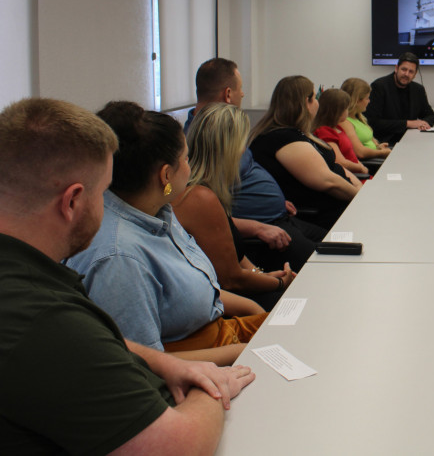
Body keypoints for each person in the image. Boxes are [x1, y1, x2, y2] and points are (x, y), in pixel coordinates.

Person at [0, 97, 255, 455]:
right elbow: (178, 447)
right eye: (104, 191)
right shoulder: (45, 317)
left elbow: (103, 343)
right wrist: (209, 383)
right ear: (72, 201)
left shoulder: (31, 285)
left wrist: (161, 361)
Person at [67, 101, 267, 364]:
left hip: (222, 339)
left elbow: (197, 291)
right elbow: (148, 367)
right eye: (185, 158)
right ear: (166, 175)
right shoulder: (119, 259)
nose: (190, 165)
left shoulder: (156, 209)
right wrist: (251, 350)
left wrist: (253, 310)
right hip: (198, 369)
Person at [185, 57, 327, 264]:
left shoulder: (229, 130)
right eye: (240, 88)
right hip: (264, 230)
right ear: (228, 93)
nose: (243, 94)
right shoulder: (204, 140)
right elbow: (204, 216)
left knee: (337, 243)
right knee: (327, 263)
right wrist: (257, 227)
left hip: (280, 218)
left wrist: (276, 200)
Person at [175, 103, 298, 311]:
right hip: (223, 305)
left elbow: (237, 261)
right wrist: (279, 283)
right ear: (231, 148)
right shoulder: (200, 197)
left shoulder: (202, 189)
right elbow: (232, 280)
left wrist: (263, 276)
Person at [249, 76, 363, 229]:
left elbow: (334, 167)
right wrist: (362, 199)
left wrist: (360, 190)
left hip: (339, 207)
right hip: (322, 216)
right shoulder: (283, 138)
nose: (318, 102)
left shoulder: (297, 133)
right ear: (305, 103)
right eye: (315, 97)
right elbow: (329, 182)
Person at [366, 52, 434, 144]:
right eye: (404, 69)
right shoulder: (379, 86)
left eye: (411, 72)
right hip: (385, 143)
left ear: (415, 74)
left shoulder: (418, 89)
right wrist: (408, 123)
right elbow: (373, 122)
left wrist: (424, 124)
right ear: (396, 68)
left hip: (412, 140)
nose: (406, 74)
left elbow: (430, 115)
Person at [314, 88, 369, 177]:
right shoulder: (325, 132)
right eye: (346, 108)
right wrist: (360, 168)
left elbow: (351, 154)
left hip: (358, 173)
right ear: (338, 111)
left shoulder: (338, 127)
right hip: (352, 177)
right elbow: (341, 162)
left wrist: (360, 165)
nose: (348, 111)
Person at [340, 76, 392, 161]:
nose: (369, 101)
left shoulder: (359, 118)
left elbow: (367, 143)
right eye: (367, 98)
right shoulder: (344, 122)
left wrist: (378, 147)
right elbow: (360, 152)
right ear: (357, 101)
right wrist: (382, 153)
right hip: (369, 164)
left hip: (374, 159)